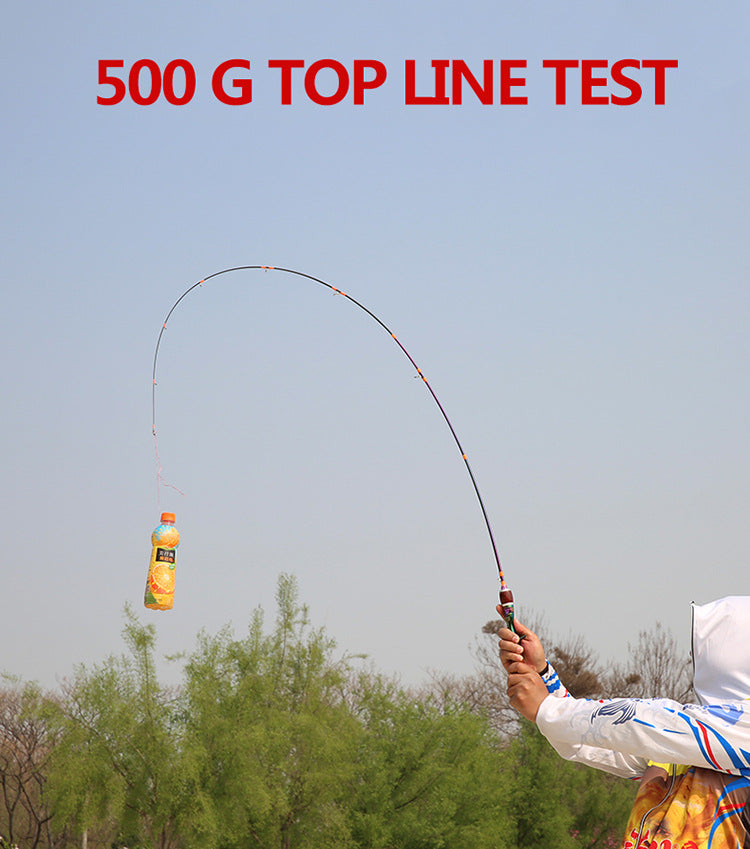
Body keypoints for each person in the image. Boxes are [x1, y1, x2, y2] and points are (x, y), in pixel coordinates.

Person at [498, 595, 750, 848]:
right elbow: (587, 740)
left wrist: (548, 708)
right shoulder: (681, 744)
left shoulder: (732, 730)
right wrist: (542, 675)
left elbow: (641, 723)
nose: (693, 655)